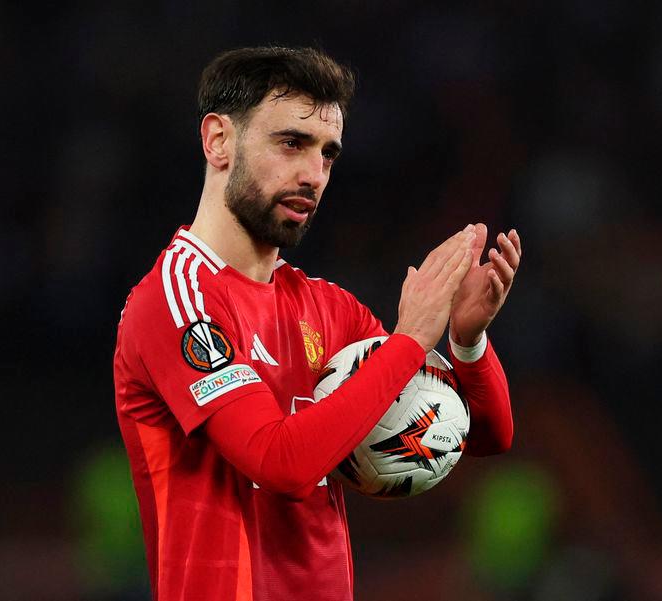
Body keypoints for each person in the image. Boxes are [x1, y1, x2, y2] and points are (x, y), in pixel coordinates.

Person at [113, 46, 522, 601]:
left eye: (328, 154)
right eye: (291, 143)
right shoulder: (178, 298)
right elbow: (279, 464)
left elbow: (484, 434)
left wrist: (467, 342)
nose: (313, 175)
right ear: (218, 141)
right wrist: (407, 341)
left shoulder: (327, 307)